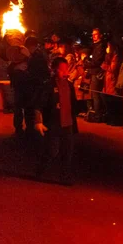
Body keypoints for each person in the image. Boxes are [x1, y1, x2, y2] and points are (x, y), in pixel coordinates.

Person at [34, 57, 78, 186]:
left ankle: (64, 176)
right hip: (53, 123)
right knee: (52, 150)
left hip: (68, 123)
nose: (65, 72)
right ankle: (40, 170)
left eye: (66, 69)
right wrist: (38, 121)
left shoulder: (70, 85)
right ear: (54, 70)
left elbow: (73, 104)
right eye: (62, 70)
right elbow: (38, 104)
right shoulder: (48, 85)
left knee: (67, 151)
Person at [84, 28, 107, 122]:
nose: (93, 36)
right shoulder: (94, 46)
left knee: (96, 94)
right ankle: (95, 113)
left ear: (100, 35)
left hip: (96, 72)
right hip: (93, 71)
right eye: (92, 34)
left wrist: (86, 62)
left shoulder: (100, 46)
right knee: (93, 94)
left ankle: (98, 115)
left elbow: (96, 61)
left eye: (95, 34)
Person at [102, 40, 122, 126]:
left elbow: (113, 69)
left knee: (113, 101)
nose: (107, 48)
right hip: (107, 81)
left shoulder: (116, 56)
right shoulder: (109, 57)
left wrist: (104, 66)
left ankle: (116, 120)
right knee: (108, 101)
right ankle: (110, 118)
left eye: (108, 47)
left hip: (112, 81)